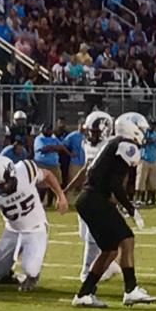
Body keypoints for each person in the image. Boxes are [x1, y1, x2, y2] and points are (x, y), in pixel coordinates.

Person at [71, 112, 156, 308]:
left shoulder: (115, 143)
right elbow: (115, 184)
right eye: (141, 129)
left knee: (109, 250)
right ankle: (131, 289)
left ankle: (84, 293)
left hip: (87, 199)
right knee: (127, 239)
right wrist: (131, 209)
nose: (143, 133)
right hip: (95, 199)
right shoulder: (127, 146)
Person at [0, 157, 66, 291]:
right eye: (0, 185)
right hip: (12, 230)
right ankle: (7, 273)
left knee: (30, 270)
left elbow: (47, 174)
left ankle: (33, 276)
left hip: (36, 228)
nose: (5, 187)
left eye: (7, 183)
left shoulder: (25, 170)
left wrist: (60, 195)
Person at [65, 111, 120, 283]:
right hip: (87, 194)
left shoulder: (111, 146)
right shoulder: (87, 145)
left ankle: (87, 271)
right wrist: (67, 188)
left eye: (95, 132)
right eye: (90, 131)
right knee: (85, 235)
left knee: (91, 237)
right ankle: (109, 266)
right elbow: (85, 169)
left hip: (101, 195)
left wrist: (114, 195)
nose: (91, 135)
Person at [32, 122, 68, 207]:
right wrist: (53, 147)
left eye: (50, 129)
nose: (49, 131)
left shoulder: (54, 138)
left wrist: (52, 147)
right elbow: (43, 149)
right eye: (47, 129)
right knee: (42, 185)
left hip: (54, 164)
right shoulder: (39, 139)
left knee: (55, 184)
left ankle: (50, 203)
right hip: (42, 164)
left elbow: (61, 147)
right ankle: (39, 202)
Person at [136, 124, 156, 206]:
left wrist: (146, 138)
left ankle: (152, 199)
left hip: (153, 159)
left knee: (153, 181)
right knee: (141, 180)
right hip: (144, 159)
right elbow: (141, 142)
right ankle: (139, 199)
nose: (152, 127)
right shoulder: (143, 134)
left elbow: (153, 141)